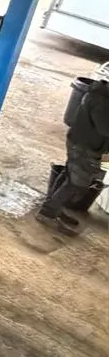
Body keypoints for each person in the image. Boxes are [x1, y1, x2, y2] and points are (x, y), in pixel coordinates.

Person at [37, 70, 109, 235]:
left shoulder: (100, 93)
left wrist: (106, 162)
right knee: (76, 184)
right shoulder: (101, 101)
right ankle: (48, 213)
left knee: (68, 176)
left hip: (84, 145)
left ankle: (52, 208)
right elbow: (105, 129)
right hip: (85, 148)